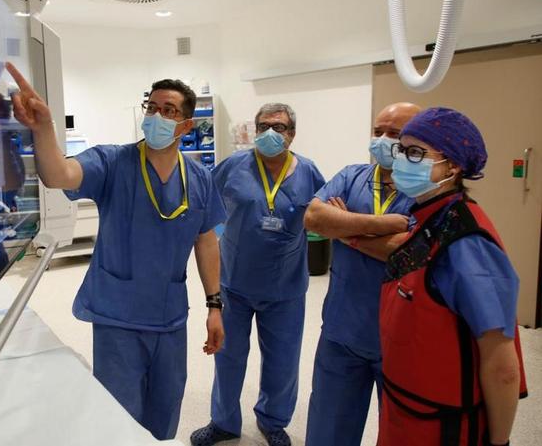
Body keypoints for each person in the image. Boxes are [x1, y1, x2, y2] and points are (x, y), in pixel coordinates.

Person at [5, 63, 226, 440]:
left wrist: (214, 306)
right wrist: (44, 129)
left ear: (187, 126)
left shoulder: (200, 179)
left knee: (164, 411)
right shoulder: (112, 162)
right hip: (118, 316)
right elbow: (60, 174)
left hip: (169, 317)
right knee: (117, 416)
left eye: (169, 110)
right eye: (151, 107)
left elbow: (205, 239)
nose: (157, 116)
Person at [378, 107, 527, 446]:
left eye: (415, 153)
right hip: (405, 407)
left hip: (443, 424)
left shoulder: (467, 243)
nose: (401, 160)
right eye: (402, 150)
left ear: (453, 165)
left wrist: (498, 442)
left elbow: (501, 364)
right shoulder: (430, 218)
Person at [191, 103, 325, 446]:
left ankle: (273, 420)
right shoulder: (234, 167)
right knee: (227, 357)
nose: (269, 133)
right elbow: (203, 201)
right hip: (234, 282)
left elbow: (325, 215)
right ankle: (223, 422)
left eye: (278, 127)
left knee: (282, 362)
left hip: (286, 288)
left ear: (292, 134)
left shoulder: (309, 172)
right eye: (263, 126)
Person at [303, 102, 421, 446]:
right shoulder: (352, 175)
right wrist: (382, 226)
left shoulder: (423, 189)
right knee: (327, 432)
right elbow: (313, 219)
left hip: (401, 338)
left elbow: (404, 248)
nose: (383, 140)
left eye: (395, 134)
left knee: (401, 435)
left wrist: (344, 229)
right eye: (378, 131)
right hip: (342, 332)